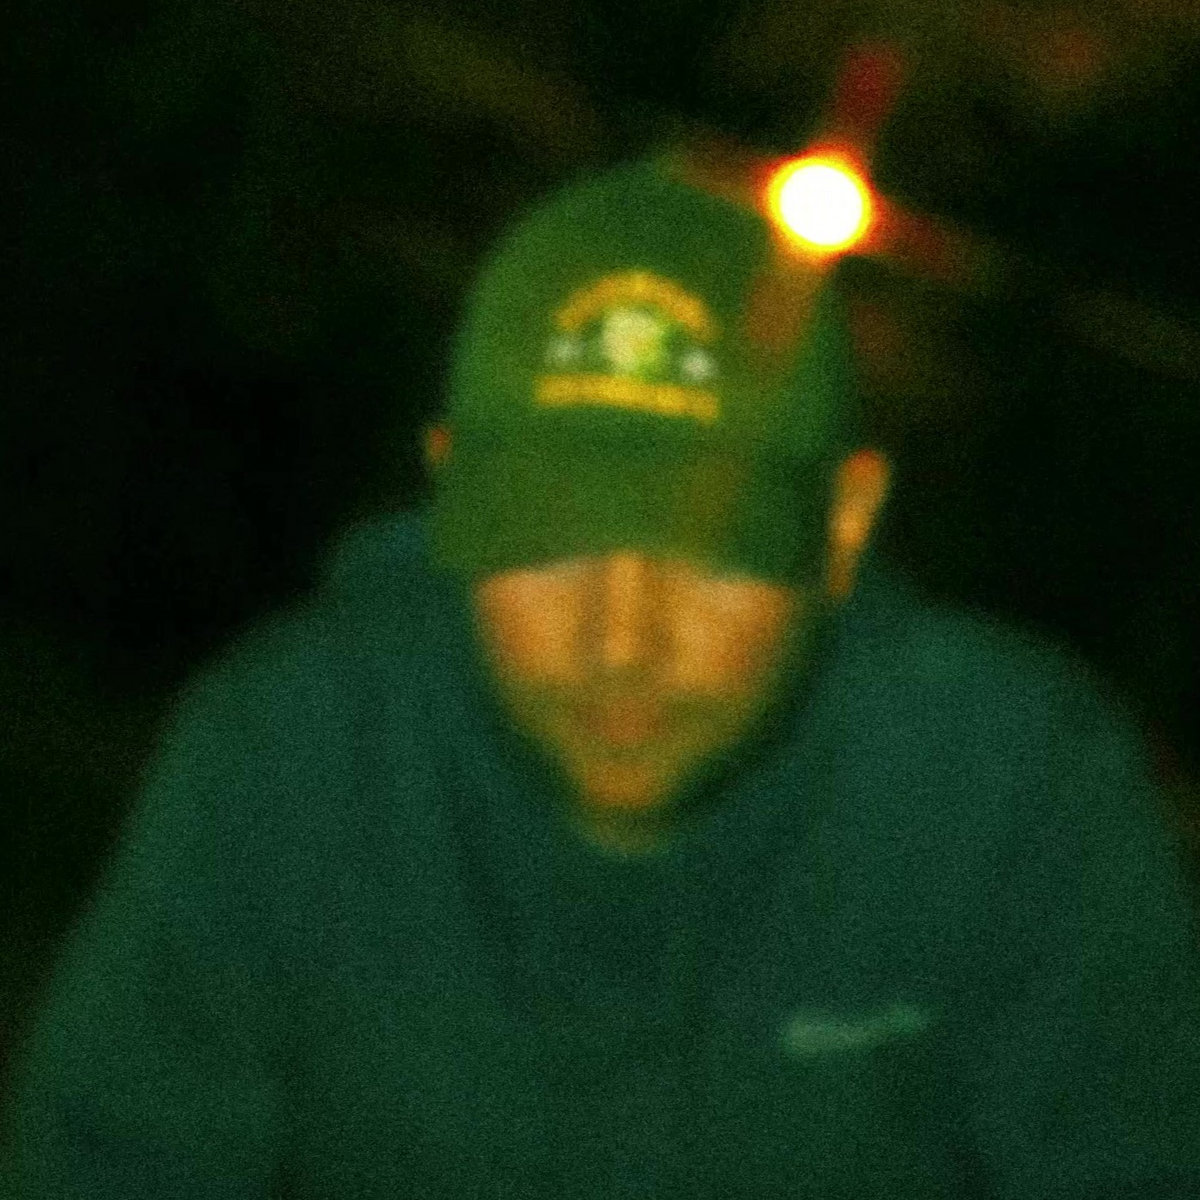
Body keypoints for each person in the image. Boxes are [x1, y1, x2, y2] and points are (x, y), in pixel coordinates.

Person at [3, 149, 1200, 1200]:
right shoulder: (287, 755)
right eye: (550, 538)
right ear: (447, 492)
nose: (622, 639)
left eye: (711, 555)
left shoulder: (1020, 796)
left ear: (843, 525)